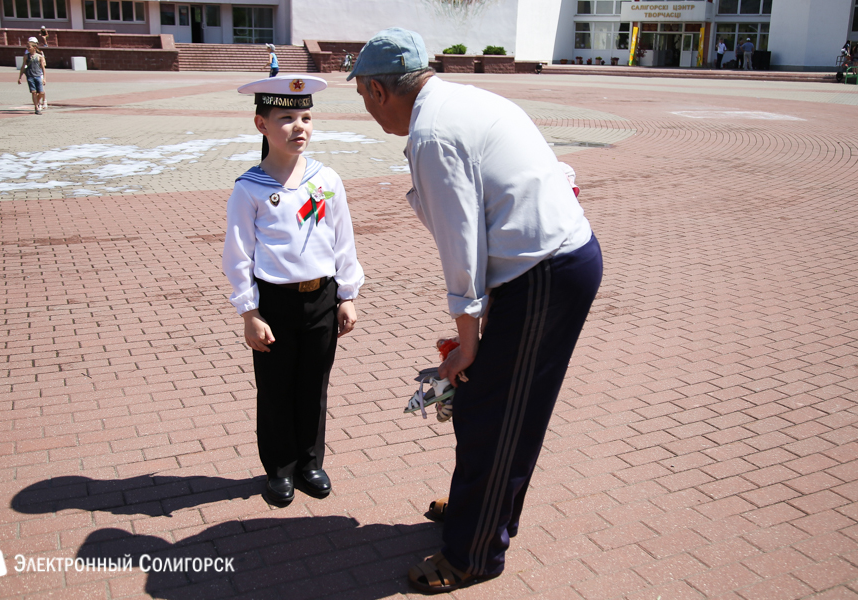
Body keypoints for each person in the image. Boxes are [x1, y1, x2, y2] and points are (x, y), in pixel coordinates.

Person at [348, 28, 602, 593]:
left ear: (377, 89)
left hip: (544, 273)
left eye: (362, 97)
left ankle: (473, 553)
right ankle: (482, 511)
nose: (366, 109)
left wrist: (468, 341)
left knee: (495, 412)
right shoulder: (468, 99)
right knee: (502, 408)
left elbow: (461, 249)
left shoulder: (433, 134)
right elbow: (557, 173)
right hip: (552, 261)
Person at [222, 75, 364, 505]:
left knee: (313, 385)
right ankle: (279, 469)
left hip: (322, 298)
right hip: (275, 303)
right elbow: (238, 253)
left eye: (305, 116)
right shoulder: (250, 188)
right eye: (285, 118)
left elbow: (343, 239)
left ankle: (309, 462)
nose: (299, 126)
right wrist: (250, 312)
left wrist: (348, 295)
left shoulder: (326, 180)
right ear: (261, 125)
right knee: (276, 387)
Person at [17, 41, 46, 115]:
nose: (27, 48)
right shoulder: (26, 56)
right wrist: (20, 77)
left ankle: (37, 101)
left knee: (41, 92)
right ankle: (36, 108)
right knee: (33, 92)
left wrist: (44, 78)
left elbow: (43, 68)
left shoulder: (39, 56)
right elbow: (23, 66)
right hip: (30, 76)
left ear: (34, 48)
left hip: (38, 75)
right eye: (27, 47)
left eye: (29, 47)